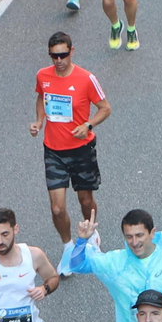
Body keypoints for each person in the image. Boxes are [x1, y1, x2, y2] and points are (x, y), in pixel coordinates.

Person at [31, 32, 109, 246]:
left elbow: (105, 108)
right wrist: (39, 120)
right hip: (53, 151)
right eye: (54, 56)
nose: (59, 61)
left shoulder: (86, 78)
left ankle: (91, 231)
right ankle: (67, 246)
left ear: (71, 52)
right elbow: (41, 96)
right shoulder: (43, 76)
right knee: (57, 208)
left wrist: (88, 125)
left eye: (63, 55)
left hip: (81, 150)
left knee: (85, 199)